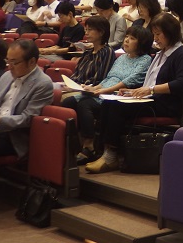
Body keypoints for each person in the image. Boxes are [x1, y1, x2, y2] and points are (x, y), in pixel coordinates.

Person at [86, 13, 183, 173]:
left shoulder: (181, 55)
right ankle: (104, 151)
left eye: (158, 34)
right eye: (154, 34)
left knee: (116, 107)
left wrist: (151, 89)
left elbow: (181, 83)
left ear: (170, 33)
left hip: (165, 103)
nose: (155, 38)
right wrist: (132, 91)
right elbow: (149, 83)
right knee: (109, 102)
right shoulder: (160, 54)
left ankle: (111, 156)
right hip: (151, 98)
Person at [65, 27, 153, 165]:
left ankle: (89, 146)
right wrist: (94, 88)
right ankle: (72, 145)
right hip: (103, 90)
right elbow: (109, 77)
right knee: (68, 102)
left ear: (142, 43)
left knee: (84, 104)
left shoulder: (145, 60)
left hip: (115, 94)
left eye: (132, 38)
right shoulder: (121, 58)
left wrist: (103, 91)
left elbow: (129, 81)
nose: (126, 40)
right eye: (127, 36)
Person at [0, 40, 53, 158]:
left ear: (31, 62)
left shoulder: (42, 83)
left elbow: (28, 119)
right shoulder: (6, 76)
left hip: (13, 137)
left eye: (14, 62)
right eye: (7, 61)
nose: (9, 67)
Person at [68, 15, 115, 88]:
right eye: (86, 30)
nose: (86, 33)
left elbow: (100, 78)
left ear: (101, 32)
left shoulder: (107, 51)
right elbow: (76, 73)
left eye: (90, 29)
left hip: (91, 89)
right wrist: (70, 83)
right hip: (78, 87)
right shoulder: (87, 52)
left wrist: (82, 85)